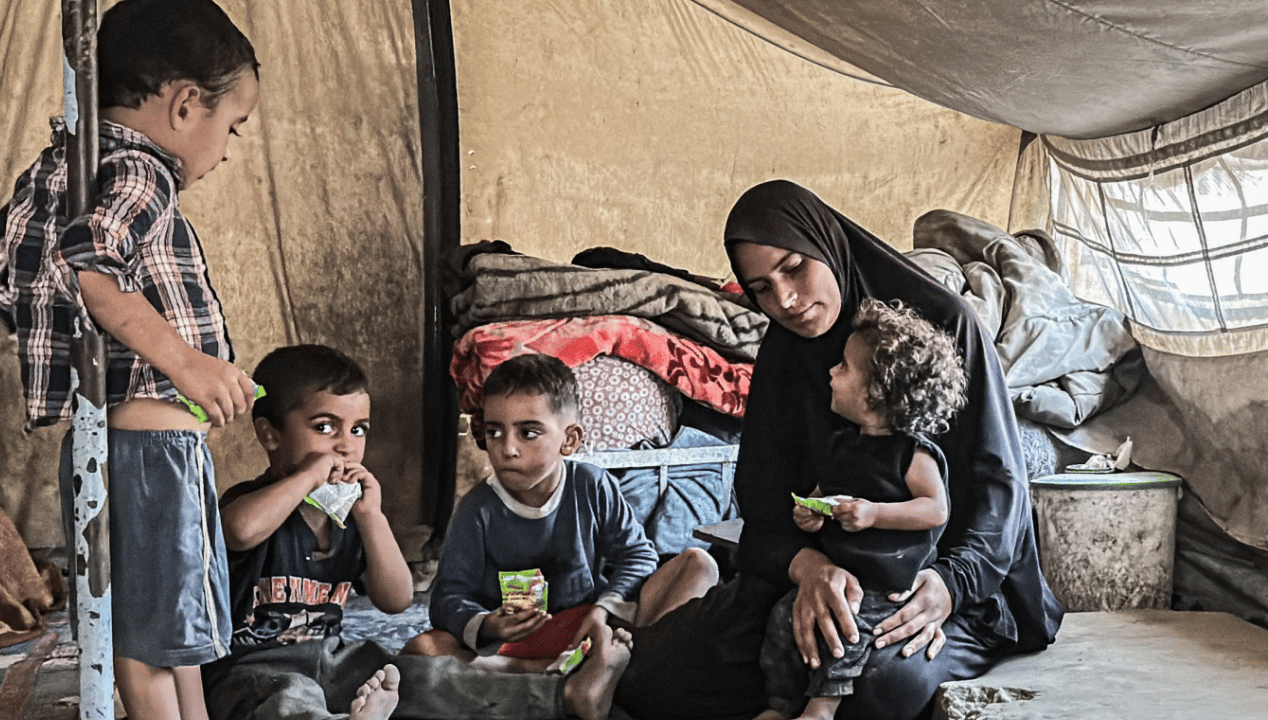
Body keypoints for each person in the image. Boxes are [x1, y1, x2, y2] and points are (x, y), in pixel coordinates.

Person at [614, 180, 1063, 720]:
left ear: (825, 244)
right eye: (761, 288)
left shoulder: (944, 325)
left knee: (878, 685)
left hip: (927, 583)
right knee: (654, 676)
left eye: (794, 267)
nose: (785, 299)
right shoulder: (783, 353)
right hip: (815, 579)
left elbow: (999, 485)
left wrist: (951, 584)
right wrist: (807, 568)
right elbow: (763, 496)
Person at [0, 2, 260, 717]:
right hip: (149, 455)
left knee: (169, 630)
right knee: (144, 644)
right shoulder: (141, 173)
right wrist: (186, 362)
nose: (227, 150)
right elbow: (90, 264)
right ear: (185, 104)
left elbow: (3, 264)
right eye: (232, 126)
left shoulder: (69, 168)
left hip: (131, 451)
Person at [202, 344, 644, 720]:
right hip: (252, 668)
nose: (345, 444)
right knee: (289, 699)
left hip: (331, 658)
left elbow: (396, 599)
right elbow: (239, 532)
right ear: (270, 435)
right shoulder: (252, 502)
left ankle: (563, 696)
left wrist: (371, 516)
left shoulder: (349, 514)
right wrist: (306, 477)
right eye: (324, 427)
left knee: (419, 676)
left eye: (358, 430)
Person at [406, 353, 719, 712]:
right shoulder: (476, 509)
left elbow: (637, 555)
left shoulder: (592, 485)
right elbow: (448, 597)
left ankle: (599, 671)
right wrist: (489, 624)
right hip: (518, 648)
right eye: (494, 432)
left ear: (569, 440)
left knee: (699, 565)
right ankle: (572, 680)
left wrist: (603, 610)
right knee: (423, 651)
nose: (507, 449)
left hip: (593, 629)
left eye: (528, 433)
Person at [762, 298, 967, 720]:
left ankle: (823, 707)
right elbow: (825, 491)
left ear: (876, 392)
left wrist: (875, 514)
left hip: (885, 580)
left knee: (848, 626)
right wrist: (812, 512)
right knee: (784, 617)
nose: (831, 372)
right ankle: (781, 704)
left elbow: (935, 510)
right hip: (841, 569)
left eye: (844, 367)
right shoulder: (842, 445)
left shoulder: (912, 454)